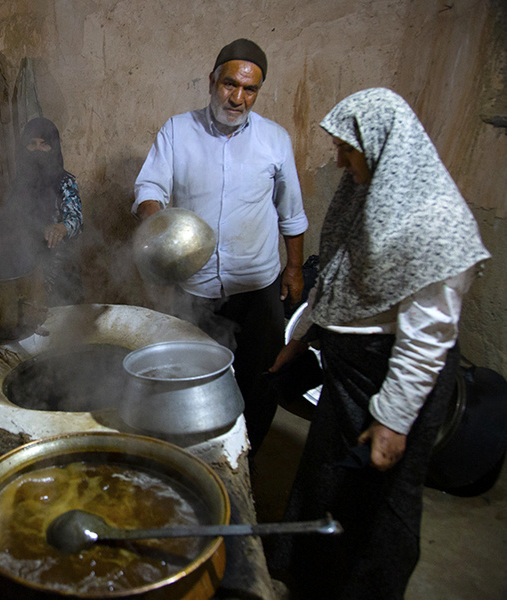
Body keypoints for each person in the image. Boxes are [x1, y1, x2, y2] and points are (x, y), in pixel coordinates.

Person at [267, 88, 490, 599]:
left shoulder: (436, 224)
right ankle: (313, 581)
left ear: (386, 146)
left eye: (349, 148)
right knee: (329, 482)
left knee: (382, 501)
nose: (340, 160)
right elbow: (339, 280)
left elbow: (427, 341)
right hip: (349, 375)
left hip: (395, 378)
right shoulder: (363, 193)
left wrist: (392, 420)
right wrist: (301, 339)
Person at [132, 39, 307, 453]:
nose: (238, 98)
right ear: (212, 81)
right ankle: (201, 457)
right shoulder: (178, 130)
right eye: (230, 85)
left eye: (250, 90)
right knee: (194, 381)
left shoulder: (275, 139)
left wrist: (295, 268)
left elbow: (292, 211)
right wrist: (159, 224)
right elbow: (149, 186)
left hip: (258, 287)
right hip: (197, 290)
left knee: (260, 381)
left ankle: (249, 459)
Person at [5, 117, 84, 305]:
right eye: (32, 144)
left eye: (44, 144)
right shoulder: (19, 183)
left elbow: (76, 219)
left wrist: (61, 227)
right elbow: (9, 216)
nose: (38, 150)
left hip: (57, 263)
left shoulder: (65, 182)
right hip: (24, 260)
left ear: (54, 148)